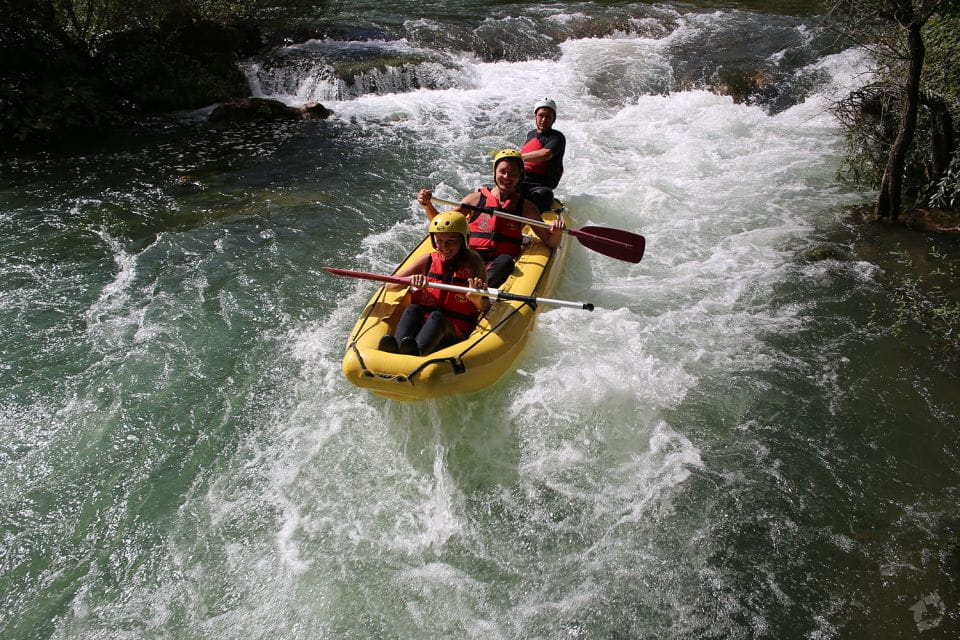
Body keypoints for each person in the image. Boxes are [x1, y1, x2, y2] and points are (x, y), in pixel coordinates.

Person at [417, 148, 565, 288]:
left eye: (513, 173)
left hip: (497, 262)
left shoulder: (526, 207)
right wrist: (428, 205)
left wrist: (557, 233)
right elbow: (441, 225)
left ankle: (478, 291)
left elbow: (550, 241)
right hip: (471, 255)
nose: (507, 177)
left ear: (520, 176)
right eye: (503, 171)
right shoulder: (475, 199)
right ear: (495, 173)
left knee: (506, 262)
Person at [378, 211, 490, 357]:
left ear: (463, 241)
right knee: (413, 308)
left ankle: (416, 355)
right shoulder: (428, 260)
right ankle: (398, 349)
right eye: (439, 241)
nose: (444, 247)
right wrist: (411, 280)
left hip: (453, 333)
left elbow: (486, 307)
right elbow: (389, 286)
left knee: (437, 316)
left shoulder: (475, 264)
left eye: (451, 241)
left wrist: (477, 299)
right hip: (424, 325)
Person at [519, 97, 565, 214]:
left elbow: (545, 154)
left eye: (548, 116)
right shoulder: (531, 134)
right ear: (535, 116)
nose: (544, 119)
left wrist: (517, 157)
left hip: (539, 186)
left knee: (545, 194)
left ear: (554, 119)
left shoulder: (557, 137)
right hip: (520, 181)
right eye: (541, 115)